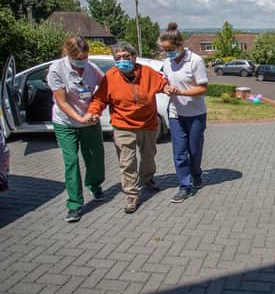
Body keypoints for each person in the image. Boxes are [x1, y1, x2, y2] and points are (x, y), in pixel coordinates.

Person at [87, 42, 169, 214]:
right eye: (118, 58)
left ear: (134, 57)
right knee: (127, 163)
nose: (122, 60)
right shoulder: (110, 77)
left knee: (148, 157)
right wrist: (94, 112)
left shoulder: (147, 72)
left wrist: (167, 88)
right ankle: (131, 195)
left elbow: (161, 83)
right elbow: (100, 99)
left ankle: (147, 179)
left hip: (147, 124)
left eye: (126, 56)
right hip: (123, 126)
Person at [47, 36, 105, 222]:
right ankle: (74, 204)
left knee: (95, 158)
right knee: (71, 161)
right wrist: (80, 118)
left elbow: (104, 89)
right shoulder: (57, 69)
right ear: (69, 55)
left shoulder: (91, 68)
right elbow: (62, 102)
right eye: (79, 59)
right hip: (66, 123)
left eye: (85, 58)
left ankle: (94, 185)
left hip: (89, 120)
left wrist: (94, 111)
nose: (82, 62)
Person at [159, 23, 209, 203]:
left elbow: (202, 89)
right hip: (175, 114)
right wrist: (166, 87)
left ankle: (196, 173)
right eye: (164, 50)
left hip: (195, 114)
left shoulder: (195, 61)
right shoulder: (167, 62)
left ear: (180, 45)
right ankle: (184, 186)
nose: (167, 53)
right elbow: (164, 80)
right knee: (180, 152)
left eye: (170, 49)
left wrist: (180, 92)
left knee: (194, 150)